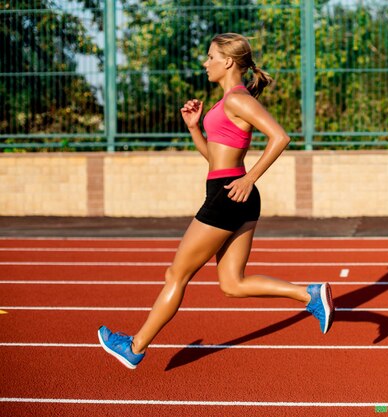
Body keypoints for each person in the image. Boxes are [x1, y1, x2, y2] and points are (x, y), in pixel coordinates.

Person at [97, 33, 334, 370]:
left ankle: (134, 347)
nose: (205, 63)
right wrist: (195, 128)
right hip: (231, 191)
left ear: (227, 62)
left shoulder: (238, 100)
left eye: (210, 57)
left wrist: (250, 177)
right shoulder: (227, 103)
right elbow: (215, 158)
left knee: (175, 275)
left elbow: (280, 137)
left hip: (230, 192)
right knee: (232, 284)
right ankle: (309, 295)